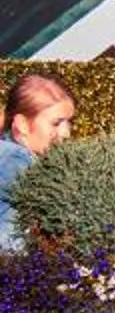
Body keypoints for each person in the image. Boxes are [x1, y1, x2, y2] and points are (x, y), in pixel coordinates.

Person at [0, 72, 78, 249]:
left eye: (69, 122)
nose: (66, 133)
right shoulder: (16, 160)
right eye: (56, 123)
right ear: (22, 125)